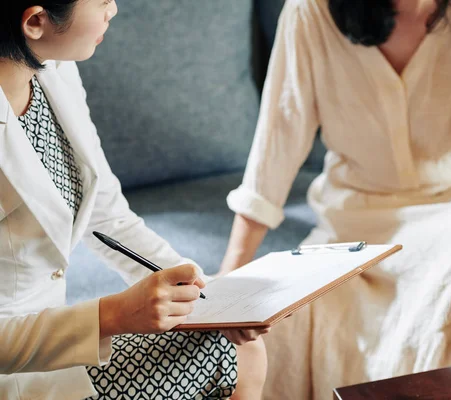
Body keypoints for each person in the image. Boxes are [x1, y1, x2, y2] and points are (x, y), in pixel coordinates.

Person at [219, 0, 451, 398]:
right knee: (280, 329)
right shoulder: (310, 11)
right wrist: (230, 276)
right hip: (355, 220)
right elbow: (277, 141)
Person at [0, 1, 268, 399]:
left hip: (50, 349)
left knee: (239, 347)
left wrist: (208, 296)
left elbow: (106, 216)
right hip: (15, 368)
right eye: (102, 1)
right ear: (36, 22)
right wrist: (114, 315)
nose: (115, 9)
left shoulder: (52, 70)